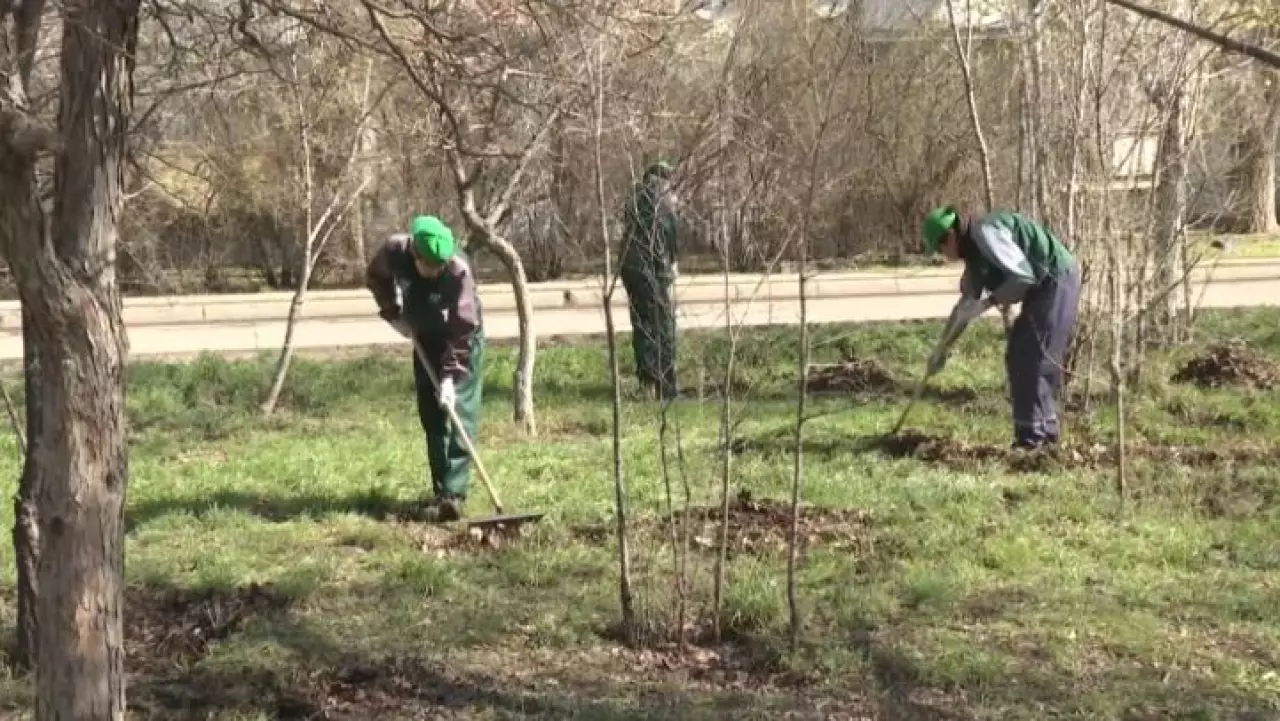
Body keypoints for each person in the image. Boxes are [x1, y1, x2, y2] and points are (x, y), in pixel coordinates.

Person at [920, 205, 1081, 450]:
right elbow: (963, 307)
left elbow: (1022, 278)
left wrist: (989, 302)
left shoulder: (986, 234)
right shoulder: (973, 256)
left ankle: (1033, 441)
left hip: (1057, 278)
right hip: (1043, 286)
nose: (942, 256)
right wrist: (941, 348)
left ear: (950, 237)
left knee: (1030, 356)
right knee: (1021, 352)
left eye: (940, 249)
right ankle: (1042, 437)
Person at [366, 215, 485, 521]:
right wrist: (393, 314)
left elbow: (463, 327)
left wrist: (450, 378)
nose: (434, 273)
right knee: (432, 415)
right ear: (414, 254)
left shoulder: (459, 271)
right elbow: (376, 276)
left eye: (439, 268)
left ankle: (455, 493)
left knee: (459, 411)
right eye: (429, 267)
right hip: (424, 336)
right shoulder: (395, 250)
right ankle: (441, 491)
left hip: (460, 340)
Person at [621, 158, 682, 400]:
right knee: (662, 325)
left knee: (641, 322)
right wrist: (672, 265)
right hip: (652, 269)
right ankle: (665, 387)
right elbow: (669, 234)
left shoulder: (634, 199)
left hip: (630, 267)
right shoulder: (663, 200)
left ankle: (646, 381)